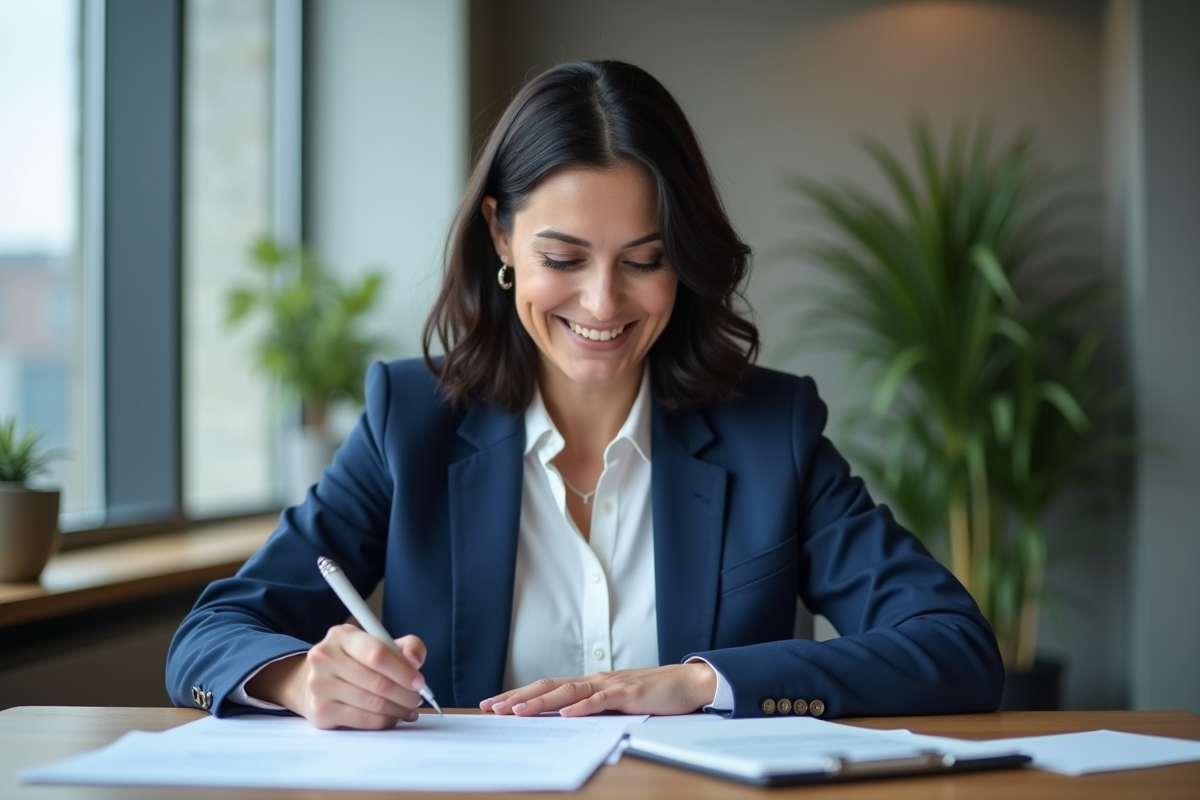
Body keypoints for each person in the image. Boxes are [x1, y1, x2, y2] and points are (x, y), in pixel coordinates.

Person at [167, 60, 1003, 729]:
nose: (603, 304)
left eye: (643, 260)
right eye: (564, 259)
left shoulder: (769, 431)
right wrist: (299, 680)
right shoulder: (409, 420)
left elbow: (955, 648)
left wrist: (700, 683)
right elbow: (207, 638)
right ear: (500, 234)